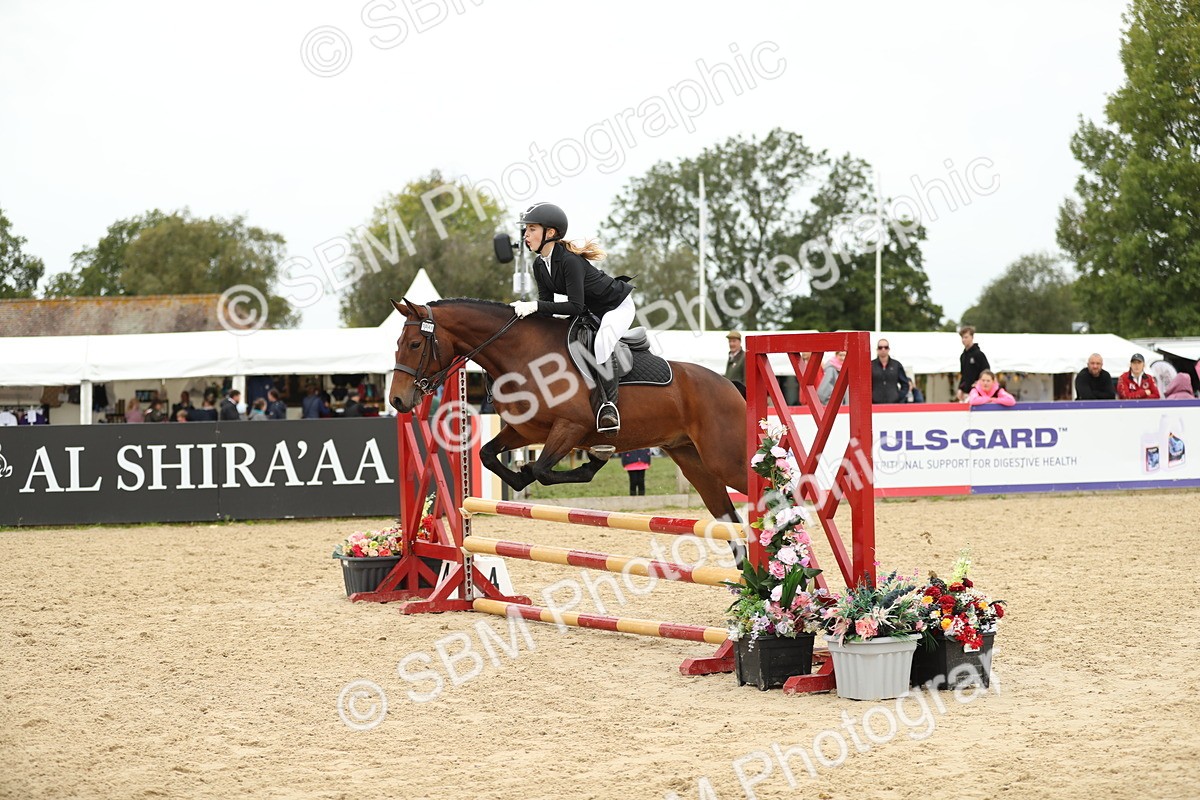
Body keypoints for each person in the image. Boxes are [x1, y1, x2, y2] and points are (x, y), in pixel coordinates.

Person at [509, 202, 634, 437]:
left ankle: (609, 405)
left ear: (551, 233)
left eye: (532, 229)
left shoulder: (569, 261)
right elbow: (546, 308)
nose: (526, 235)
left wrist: (534, 306)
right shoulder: (539, 265)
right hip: (591, 309)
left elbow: (574, 306)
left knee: (602, 340)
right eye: (526, 229)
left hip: (616, 307)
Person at [871, 339, 910, 404]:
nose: (883, 349)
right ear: (877, 350)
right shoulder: (870, 365)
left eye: (885, 347)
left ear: (888, 349)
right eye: (880, 347)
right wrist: (871, 398)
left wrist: (898, 397)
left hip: (893, 404)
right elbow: (864, 385)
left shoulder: (896, 365)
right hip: (875, 404)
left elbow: (905, 384)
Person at [957, 326, 990, 401]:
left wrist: (978, 383)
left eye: (966, 337)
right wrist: (960, 388)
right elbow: (963, 375)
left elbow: (987, 372)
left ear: (972, 337)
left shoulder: (979, 354)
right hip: (966, 393)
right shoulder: (963, 356)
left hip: (978, 393)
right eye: (962, 338)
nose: (963, 340)